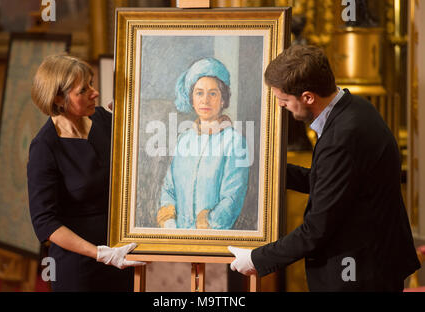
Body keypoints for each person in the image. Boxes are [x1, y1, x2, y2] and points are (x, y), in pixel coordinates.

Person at [228, 45, 420, 291]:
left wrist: (256, 259)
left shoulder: (342, 136)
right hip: (369, 262)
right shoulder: (353, 108)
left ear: (308, 97)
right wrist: (262, 170)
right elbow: (329, 184)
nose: (281, 106)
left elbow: (316, 230)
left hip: (359, 274)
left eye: (284, 100)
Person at [27, 54, 144, 291]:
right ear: (58, 98)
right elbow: (45, 222)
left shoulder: (104, 120)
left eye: (91, 84)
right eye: (84, 89)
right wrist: (99, 253)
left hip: (121, 256)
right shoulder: (44, 147)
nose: (95, 92)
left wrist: (133, 118)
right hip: (79, 269)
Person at [157, 58, 249, 230]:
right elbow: (169, 189)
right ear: (191, 99)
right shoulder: (184, 140)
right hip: (177, 241)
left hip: (214, 242)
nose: (205, 100)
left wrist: (202, 230)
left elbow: (232, 199)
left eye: (213, 93)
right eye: (199, 93)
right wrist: (171, 228)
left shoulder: (235, 142)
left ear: (223, 100)